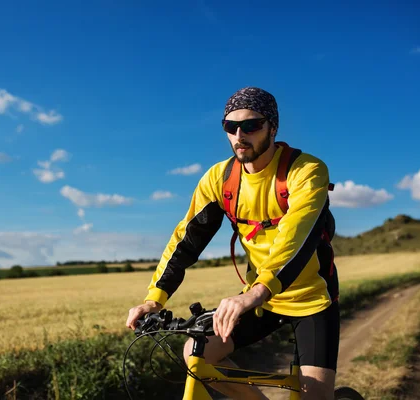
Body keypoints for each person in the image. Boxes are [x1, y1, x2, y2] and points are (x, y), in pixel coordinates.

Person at [126, 87, 340, 400]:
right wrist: (154, 299)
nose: (240, 135)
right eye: (231, 127)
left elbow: (297, 236)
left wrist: (255, 292)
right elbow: (186, 241)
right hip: (261, 299)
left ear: (272, 127)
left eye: (251, 125)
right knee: (194, 354)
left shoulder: (305, 170)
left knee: (316, 396)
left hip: (311, 298)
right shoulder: (220, 179)